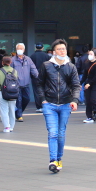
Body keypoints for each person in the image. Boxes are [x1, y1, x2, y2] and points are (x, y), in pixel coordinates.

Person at [35, 38, 80, 172]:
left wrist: (75, 100)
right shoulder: (46, 65)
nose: (62, 51)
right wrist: (43, 99)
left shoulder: (71, 66)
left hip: (66, 104)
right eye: (59, 49)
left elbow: (76, 85)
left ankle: (59, 159)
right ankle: (53, 160)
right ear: (53, 52)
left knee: (61, 133)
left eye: (64, 49)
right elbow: (39, 83)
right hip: (49, 104)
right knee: (53, 133)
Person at [11, 43, 39, 121]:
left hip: (26, 84)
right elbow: (10, 71)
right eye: (18, 48)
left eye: (21, 48)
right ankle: (19, 115)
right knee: (18, 100)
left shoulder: (28, 59)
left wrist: (38, 77)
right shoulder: (12, 60)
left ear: (24, 50)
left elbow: (33, 69)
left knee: (27, 99)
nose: (20, 50)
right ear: (16, 50)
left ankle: (18, 112)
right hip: (16, 84)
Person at [0, 56, 19, 133]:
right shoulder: (14, 71)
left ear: (2, 62)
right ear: (10, 62)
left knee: (4, 110)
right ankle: (12, 126)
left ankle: (7, 127)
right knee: (12, 109)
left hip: (2, 92)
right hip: (13, 93)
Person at [82, 49, 96, 123]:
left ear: (95, 55)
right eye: (89, 54)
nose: (89, 55)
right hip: (88, 84)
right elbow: (85, 75)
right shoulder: (86, 63)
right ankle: (90, 117)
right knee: (88, 101)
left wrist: (89, 83)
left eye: (91, 54)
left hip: (95, 84)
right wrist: (80, 83)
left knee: (93, 99)